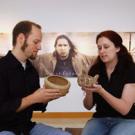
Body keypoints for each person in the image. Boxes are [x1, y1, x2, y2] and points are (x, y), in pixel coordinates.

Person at [0, 21, 71, 135]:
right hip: (4, 129)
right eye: (36, 42)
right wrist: (33, 98)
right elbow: (2, 110)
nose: (40, 47)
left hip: (28, 127)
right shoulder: (2, 67)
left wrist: (46, 97)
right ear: (21, 39)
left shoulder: (32, 70)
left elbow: (36, 105)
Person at [81, 30, 135, 135]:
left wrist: (101, 91)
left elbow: (124, 109)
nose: (101, 51)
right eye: (99, 48)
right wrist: (88, 91)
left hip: (127, 120)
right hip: (100, 119)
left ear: (117, 48)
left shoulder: (130, 69)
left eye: (106, 47)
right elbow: (88, 106)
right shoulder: (95, 70)